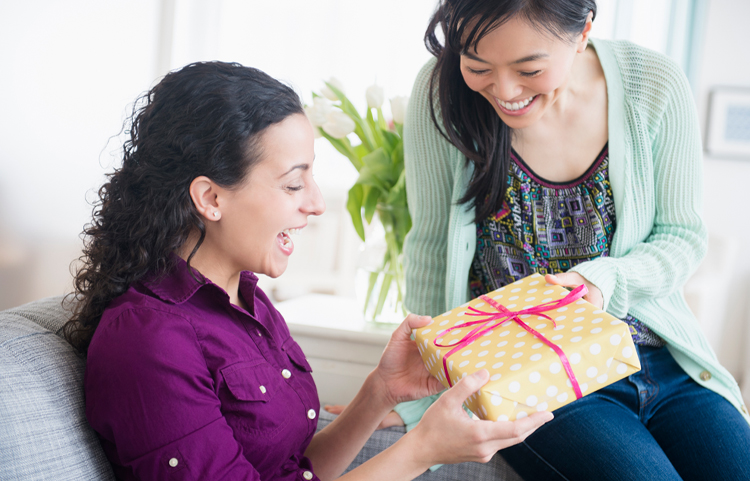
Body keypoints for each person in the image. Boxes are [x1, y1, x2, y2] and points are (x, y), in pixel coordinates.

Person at [62, 61, 552, 481]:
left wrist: (379, 392)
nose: (317, 204)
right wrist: (421, 450)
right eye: (294, 184)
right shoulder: (148, 340)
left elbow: (297, 469)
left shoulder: (246, 300)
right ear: (211, 198)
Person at [393, 0, 750, 480]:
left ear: (582, 31)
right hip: (528, 378)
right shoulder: (441, 93)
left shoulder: (653, 84)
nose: (505, 90)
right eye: (478, 66)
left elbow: (681, 238)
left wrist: (604, 280)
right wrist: (419, 405)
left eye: (529, 68)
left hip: (658, 362)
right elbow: (431, 251)